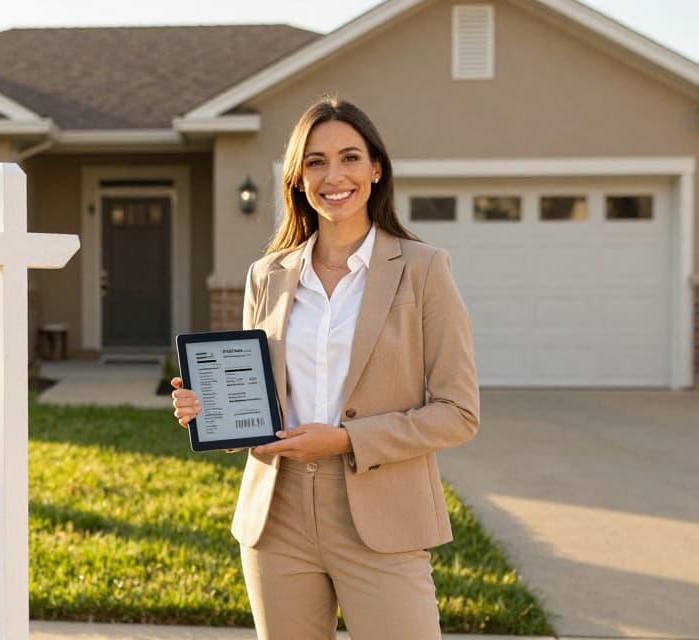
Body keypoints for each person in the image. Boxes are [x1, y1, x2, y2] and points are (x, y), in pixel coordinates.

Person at [170, 97, 479, 639]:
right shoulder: (267, 274)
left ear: (376, 168)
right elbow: (259, 401)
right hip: (277, 516)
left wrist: (343, 440)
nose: (334, 176)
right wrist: (208, 409)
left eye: (350, 158)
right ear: (298, 178)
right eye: (315, 162)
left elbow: (458, 413)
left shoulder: (424, 269)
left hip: (383, 515)